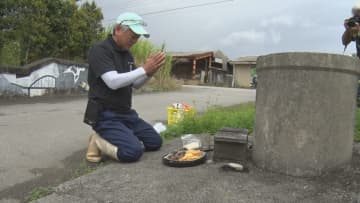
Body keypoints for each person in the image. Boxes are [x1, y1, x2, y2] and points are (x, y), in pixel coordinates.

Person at [84, 12, 166, 163]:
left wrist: (150, 72)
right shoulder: (100, 50)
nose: (135, 41)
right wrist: (143, 69)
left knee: (155, 142)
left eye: (137, 37)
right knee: (132, 152)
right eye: (132, 36)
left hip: (126, 114)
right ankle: (97, 141)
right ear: (118, 29)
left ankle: (122, 136)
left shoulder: (126, 54)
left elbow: (135, 84)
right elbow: (112, 82)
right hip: (104, 115)